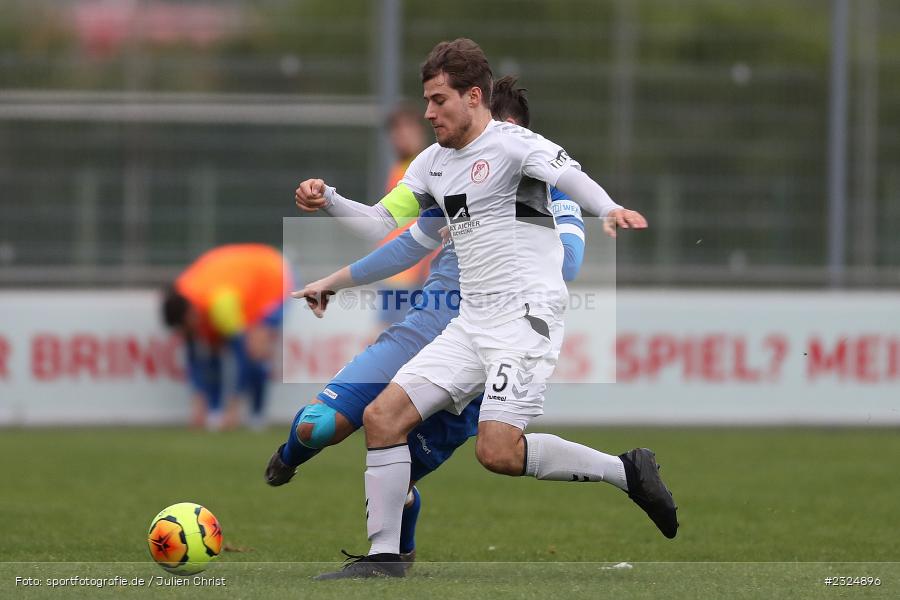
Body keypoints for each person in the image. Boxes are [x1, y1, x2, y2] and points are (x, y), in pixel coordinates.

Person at [294, 39, 676, 579]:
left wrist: (608, 207)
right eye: (426, 100)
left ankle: (626, 471)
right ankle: (384, 559)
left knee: (497, 452)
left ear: (474, 98)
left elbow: (570, 176)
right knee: (382, 417)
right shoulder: (431, 163)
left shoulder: (516, 145)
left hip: (525, 322)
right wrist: (328, 198)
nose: (429, 113)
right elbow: (382, 223)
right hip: (471, 323)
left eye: (439, 100)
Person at [265, 76, 587, 569]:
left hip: (482, 356)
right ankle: (290, 458)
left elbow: (565, 267)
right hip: (421, 332)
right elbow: (400, 240)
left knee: (400, 473)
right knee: (316, 426)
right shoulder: (452, 186)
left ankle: (395, 554)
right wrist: (334, 276)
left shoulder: (554, 198)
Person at [161, 244, 290, 430]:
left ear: (190, 316)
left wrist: (233, 405)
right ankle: (214, 411)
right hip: (236, 278)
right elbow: (194, 356)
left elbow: (242, 355)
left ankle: (257, 415)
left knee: (255, 350)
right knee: (212, 349)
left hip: (272, 275)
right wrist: (199, 399)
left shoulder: (221, 306)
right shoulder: (182, 293)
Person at [375, 104, 434, 329]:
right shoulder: (399, 169)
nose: (401, 136)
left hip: (415, 273)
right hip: (395, 272)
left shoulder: (426, 169)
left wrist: (425, 265)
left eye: (407, 129)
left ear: (421, 132)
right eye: (396, 132)